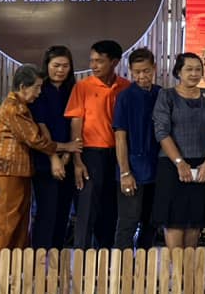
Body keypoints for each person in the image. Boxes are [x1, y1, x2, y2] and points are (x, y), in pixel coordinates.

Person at [0, 65, 81, 249]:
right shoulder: (14, 108)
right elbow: (35, 139)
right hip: (7, 172)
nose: (39, 92)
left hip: (18, 172)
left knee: (19, 225)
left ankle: (14, 265)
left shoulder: (22, 107)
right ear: (23, 87)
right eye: (37, 87)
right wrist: (66, 146)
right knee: (6, 224)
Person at [152, 52, 205, 249]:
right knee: (174, 221)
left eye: (198, 69)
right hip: (171, 165)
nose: (194, 73)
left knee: (194, 221)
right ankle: (176, 267)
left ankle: (189, 267)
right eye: (189, 69)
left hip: (202, 165)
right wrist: (179, 162)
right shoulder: (166, 96)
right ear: (178, 72)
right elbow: (162, 132)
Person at [65, 40, 131, 249]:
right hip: (91, 154)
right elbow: (76, 123)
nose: (93, 65)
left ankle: (106, 258)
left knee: (111, 210)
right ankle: (81, 260)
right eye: (92, 60)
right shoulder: (82, 87)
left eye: (99, 61)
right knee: (86, 210)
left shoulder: (126, 87)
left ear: (114, 62)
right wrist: (77, 161)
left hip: (119, 155)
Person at [112, 48, 162, 251]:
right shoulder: (125, 97)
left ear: (154, 68)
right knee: (128, 222)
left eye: (146, 71)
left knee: (152, 221)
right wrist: (125, 172)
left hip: (157, 169)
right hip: (132, 169)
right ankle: (121, 267)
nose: (142, 76)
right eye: (137, 72)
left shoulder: (161, 94)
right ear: (130, 71)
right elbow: (120, 137)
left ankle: (143, 266)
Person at [30, 46, 77, 250]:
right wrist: (54, 157)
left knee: (63, 213)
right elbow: (41, 126)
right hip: (45, 160)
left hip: (68, 159)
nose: (60, 70)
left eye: (65, 66)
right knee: (46, 212)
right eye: (56, 65)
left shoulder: (73, 90)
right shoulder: (40, 90)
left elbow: (76, 124)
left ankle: (56, 260)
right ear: (47, 65)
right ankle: (39, 261)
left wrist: (67, 155)